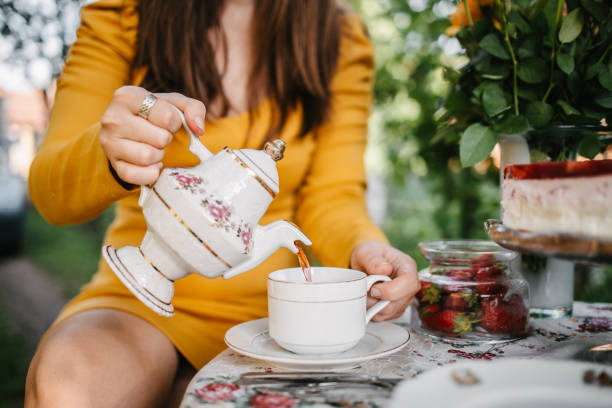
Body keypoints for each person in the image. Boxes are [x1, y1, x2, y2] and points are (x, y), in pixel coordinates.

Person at [25, 0, 419, 406]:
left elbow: (333, 196)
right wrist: (111, 155)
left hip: (270, 322)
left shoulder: (339, 39)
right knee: (69, 381)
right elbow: (50, 195)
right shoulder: (123, 16)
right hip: (137, 300)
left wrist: (365, 249)